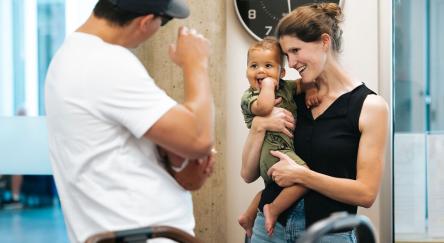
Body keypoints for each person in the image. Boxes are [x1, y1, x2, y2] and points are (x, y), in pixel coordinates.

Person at [45, 0, 215, 242]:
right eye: (163, 21)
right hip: (142, 234)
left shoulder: (71, 56)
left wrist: (177, 157)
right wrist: (196, 63)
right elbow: (199, 138)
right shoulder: (105, 62)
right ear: (145, 22)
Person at [242, 3, 388, 243]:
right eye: (286, 55)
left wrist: (302, 176)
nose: (290, 63)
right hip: (268, 231)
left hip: (329, 235)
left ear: (324, 42)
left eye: (296, 50)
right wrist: (259, 126)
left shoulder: (370, 106)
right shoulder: (290, 96)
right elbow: (247, 175)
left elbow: (366, 193)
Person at [238, 37, 318, 237]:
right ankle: (272, 209)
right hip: (272, 151)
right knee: (303, 176)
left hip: (284, 149)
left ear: (281, 73)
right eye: (253, 66)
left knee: (274, 186)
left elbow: (306, 81)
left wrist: (310, 91)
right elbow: (265, 108)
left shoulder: (286, 87)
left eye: (268, 66)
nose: (261, 71)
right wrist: (267, 86)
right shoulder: (250, 96)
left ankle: (248, 216)